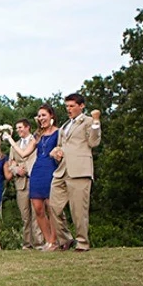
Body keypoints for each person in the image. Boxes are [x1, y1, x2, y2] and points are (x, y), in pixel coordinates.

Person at [50, 93, 102, 251]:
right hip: (62, 171)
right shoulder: (65, 125)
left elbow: (93, 142)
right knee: (53, 206)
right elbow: (60, 146)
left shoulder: (88, 121)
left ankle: (82, 243)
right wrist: (55, 151)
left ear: (81, 106)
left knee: (78, 210)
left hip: (79, 170)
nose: (69, 109)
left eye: (72, 106)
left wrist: (96, 122)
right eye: (67, 106)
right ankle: (65, 238)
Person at [6, 105, 62, 251]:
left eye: (44, 115)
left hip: (51, 169)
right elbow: (24, 153)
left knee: (52, 208)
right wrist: (11, 141)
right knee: (38, 208)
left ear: (51, 116)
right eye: (39, 116)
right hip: (37, 170)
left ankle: (55, 241)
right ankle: (48, 240)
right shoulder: (38, 135)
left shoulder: (59, 132)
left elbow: (63, 149)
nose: (41, 118)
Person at [6, 119, 44, 250]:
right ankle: (27, 243)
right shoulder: (14, 145)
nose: (19, 130)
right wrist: (17, 170)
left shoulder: (36, 140)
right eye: (17, 128)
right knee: (25, 216)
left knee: (37, 213)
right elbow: (10, 164)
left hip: (35, 180)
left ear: (27, 127)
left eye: (20, 127)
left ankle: (40, 243)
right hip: (21, 183)